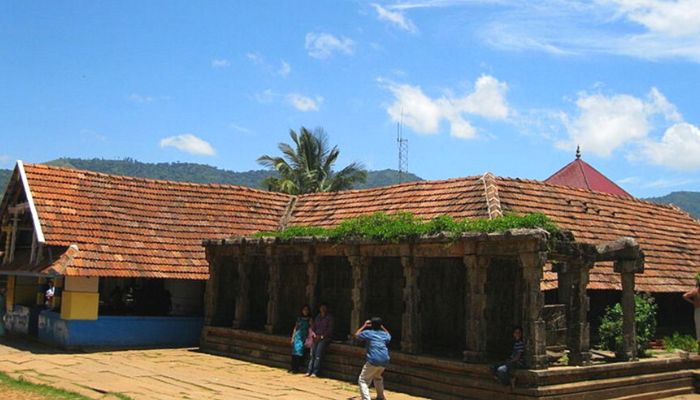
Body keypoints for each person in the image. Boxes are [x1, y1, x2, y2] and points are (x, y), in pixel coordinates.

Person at [354, 317, 391, 400]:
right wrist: (382, 326)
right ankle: (380, 396)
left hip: (374, 359)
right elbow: (389, 335)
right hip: (384, 360)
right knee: (377, 377)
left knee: (363, 380)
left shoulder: (369, 333)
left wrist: (364, 325)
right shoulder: (384, 334)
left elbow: (356, 335)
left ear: (371, 325)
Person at [306, 303, 334, 378]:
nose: (322, 309)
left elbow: (330, 329)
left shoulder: (329, 318)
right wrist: (313, 334)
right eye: (321, 308)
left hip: (324, 338)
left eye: (324, 308)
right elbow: (314, 327)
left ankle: (315, 371)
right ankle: (309, 370)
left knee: (318, 353)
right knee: (312, 354)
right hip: (316, 337)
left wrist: (322, 336)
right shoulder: (318, 317)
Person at [289, 304, 312, 373]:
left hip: (304, 336)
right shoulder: (299, 318)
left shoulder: (310, 319)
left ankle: (297, 367)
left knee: (300, 351)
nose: (305, 311)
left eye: (307, 310)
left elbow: (311, 328)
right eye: (304, 310)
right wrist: (293, 337)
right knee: (294, 351)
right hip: (298, 335)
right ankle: (293, 367)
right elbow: (295, 328)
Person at [682, 277, 700, 355]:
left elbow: (685, 296)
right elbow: (685, 296)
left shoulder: (695, 291)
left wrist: (693, 302)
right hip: (698, 310)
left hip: (698, 310)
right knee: (699, 329)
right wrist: (693, 302)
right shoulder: (695, 291)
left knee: (699, 329)